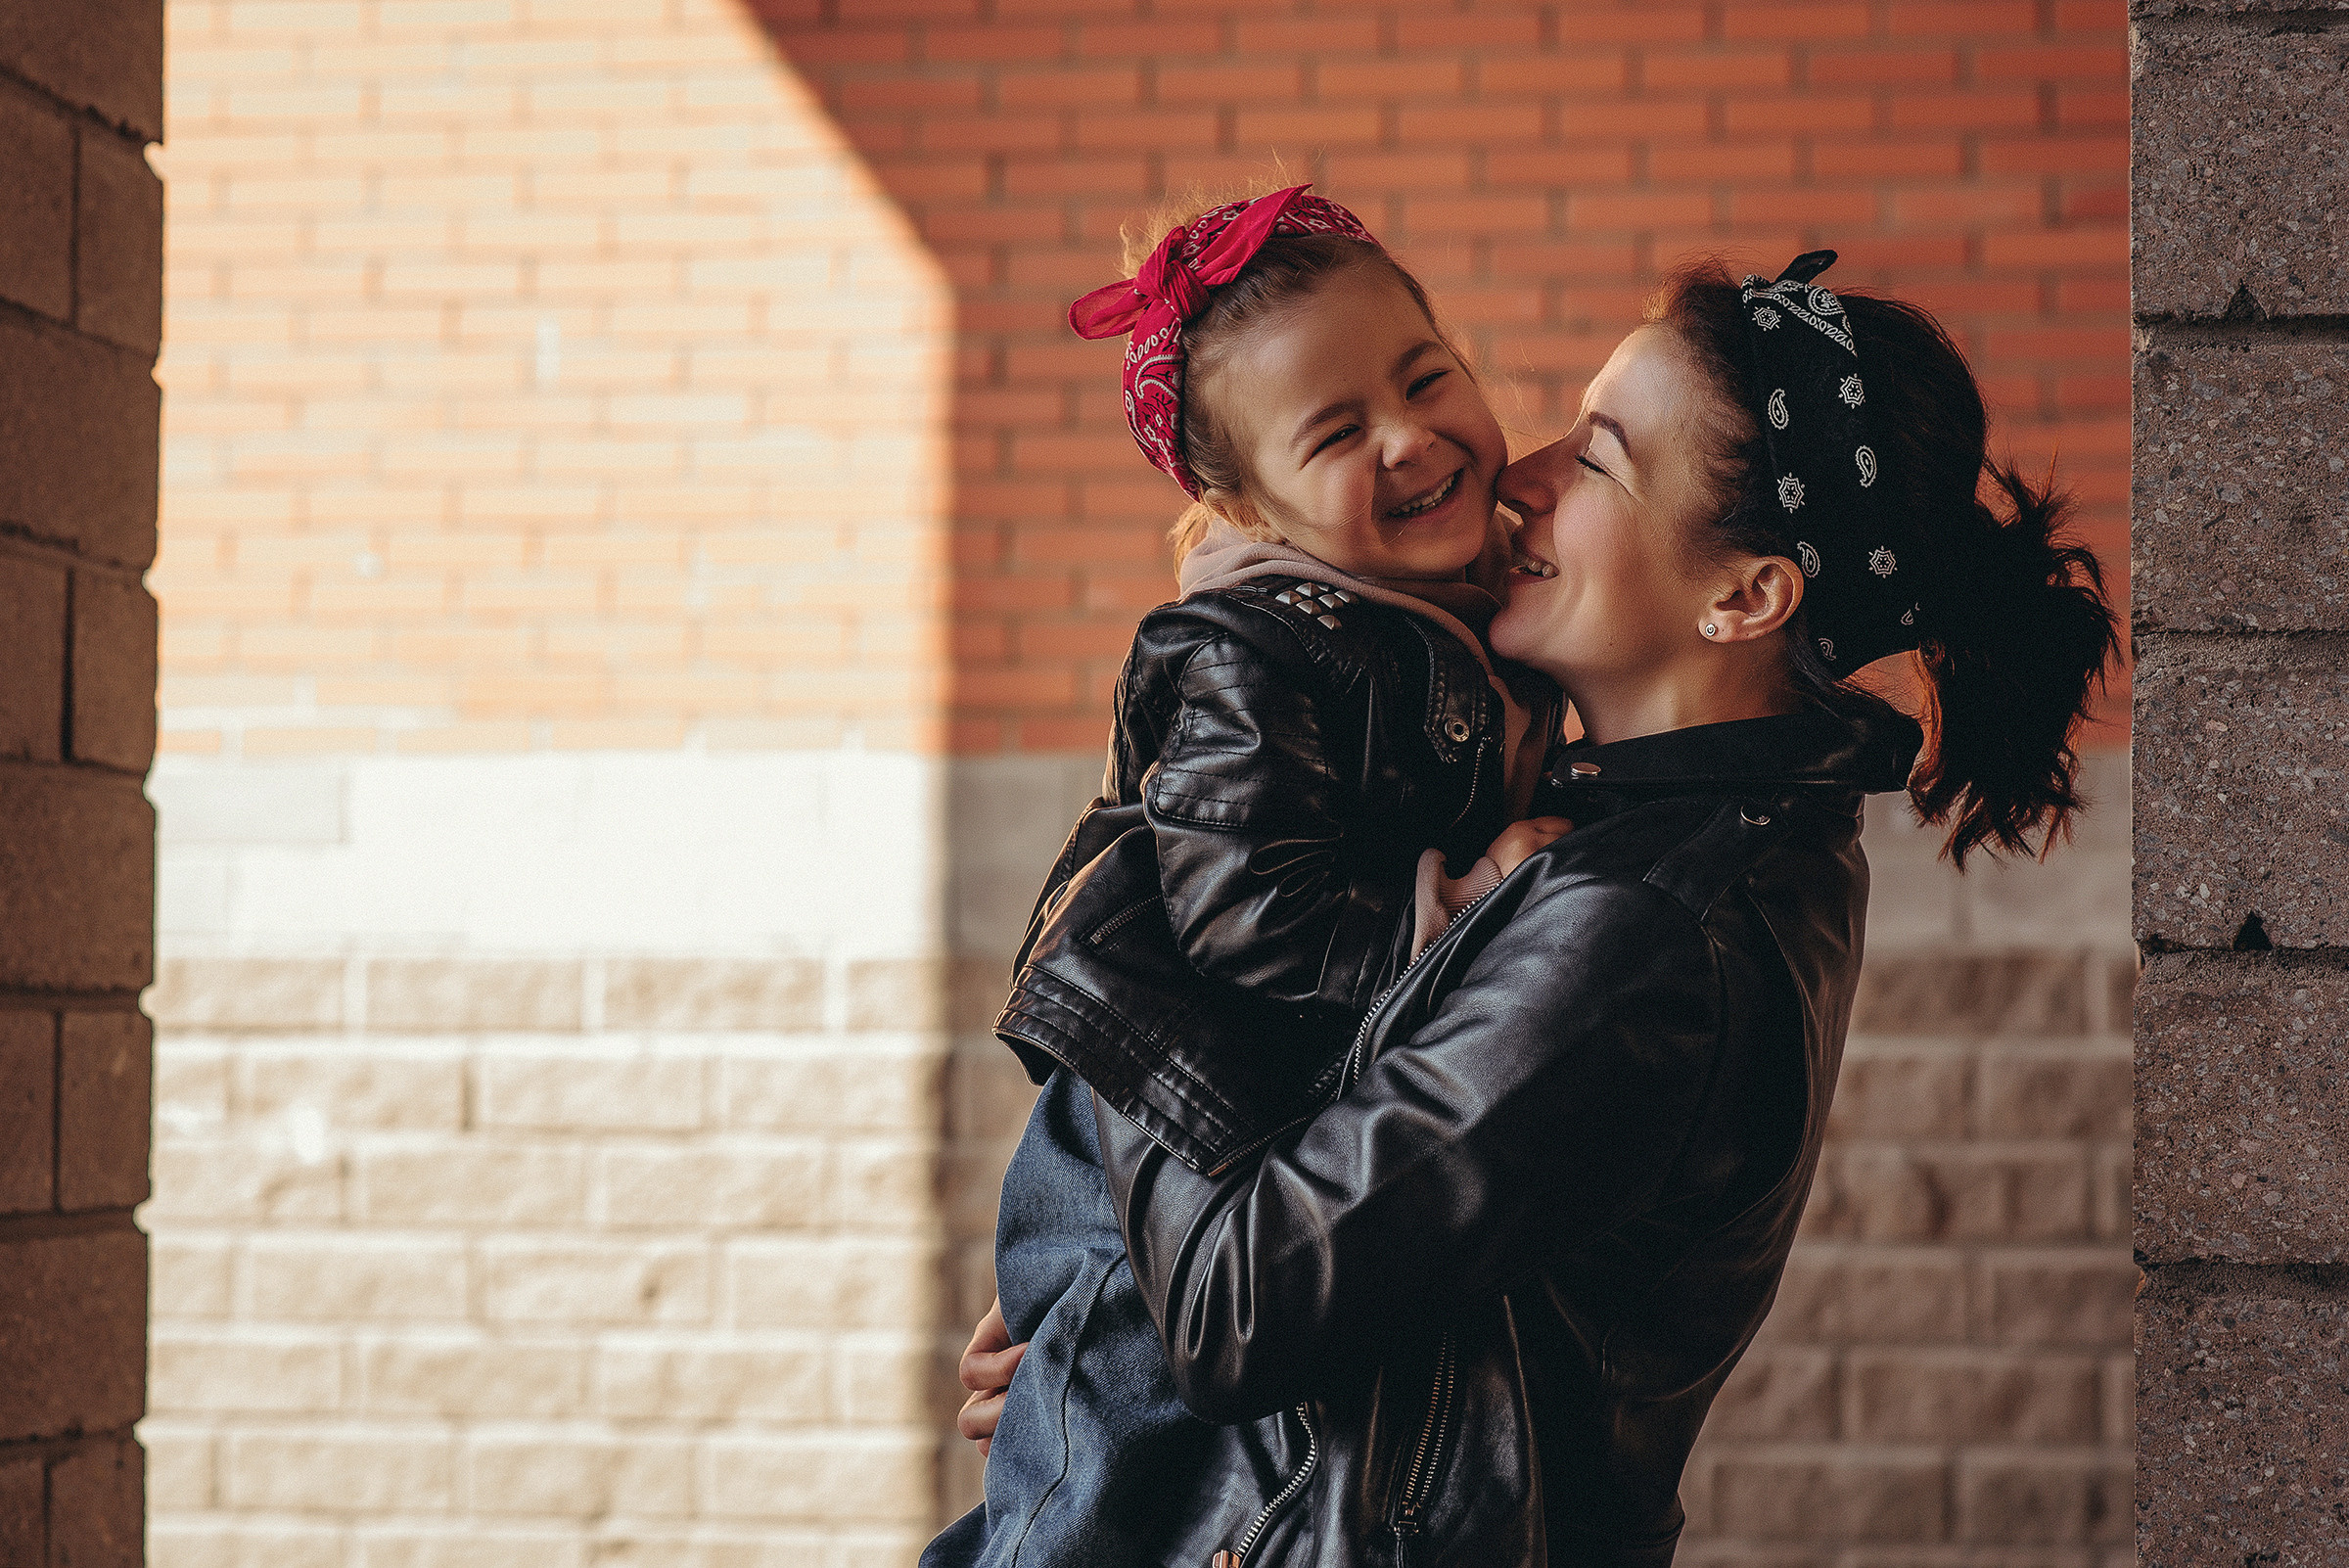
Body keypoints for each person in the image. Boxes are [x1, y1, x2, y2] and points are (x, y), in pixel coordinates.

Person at [954, 252, 2117, 1565]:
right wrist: (1097, 1350)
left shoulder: (1645, 939)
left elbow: (1232, 1302)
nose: (1522, 475)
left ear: (1743, 596)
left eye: (1602, 457)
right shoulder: (1606, 826)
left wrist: (1135, 917)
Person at [920, 184, 1567, 1568]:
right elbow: (1241, 916)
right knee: (1088, 1490)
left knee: (1171, 1476)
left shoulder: (1461, 604)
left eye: (1425, 374)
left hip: (1236, 1159)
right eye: (1336, 432)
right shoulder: (1254, 649)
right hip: (1149, 1135)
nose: (1408, 436)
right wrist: (1445, 920)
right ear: (1245, 502)